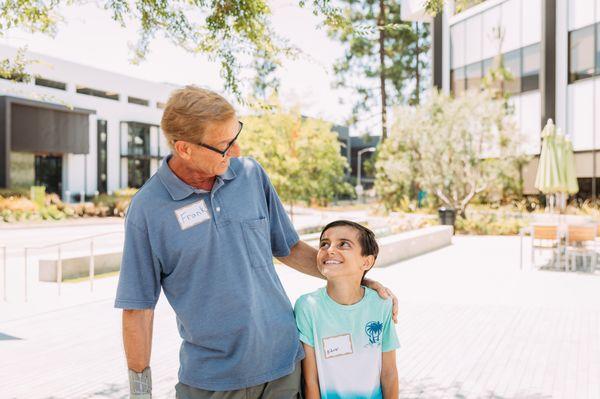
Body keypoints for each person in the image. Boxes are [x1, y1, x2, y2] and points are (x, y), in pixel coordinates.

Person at [114, 85, 398, 399]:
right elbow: (137, 310)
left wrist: (358, 280)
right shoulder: (148, 210)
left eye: (235, 137)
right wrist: (140, 394)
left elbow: (288, 248)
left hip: (283, 369)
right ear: (184, 149)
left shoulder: (250, 176)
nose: (236, 152)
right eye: (224, 145)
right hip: (212, 383)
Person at [295, 220, 399, 399]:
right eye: (324, 244)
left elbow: (389, 374)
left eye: (343, 244)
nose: (330, 249)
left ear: (366, 261)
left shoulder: (381, 304)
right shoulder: (307, 306)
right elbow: (310, 380)